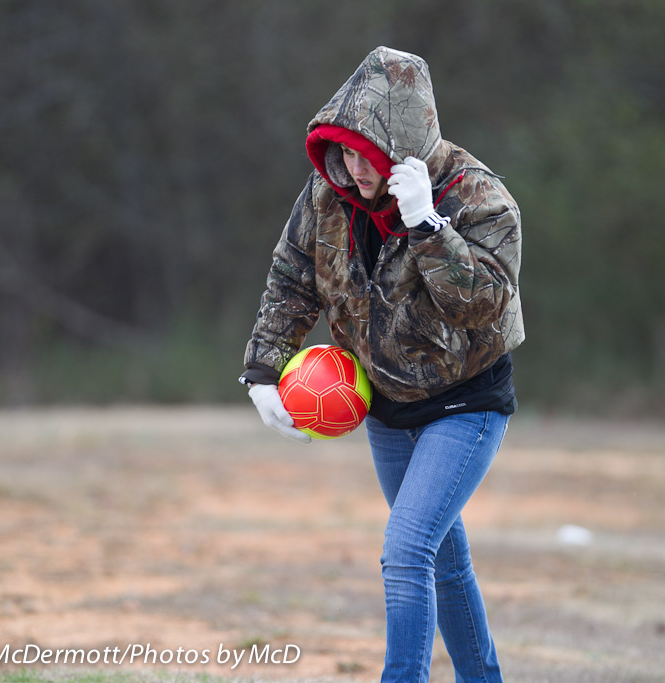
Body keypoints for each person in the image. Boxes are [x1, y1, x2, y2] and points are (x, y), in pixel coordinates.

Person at [240, 46, 524, 683]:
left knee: (405, 551)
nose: (351, 168)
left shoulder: (480, 198)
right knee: (441, 561)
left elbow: (484, 305)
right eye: (340, 152)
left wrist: (428, 226)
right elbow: (293, 278)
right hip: (387, 408)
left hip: (466, 402)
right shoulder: (327, 195)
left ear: (404, 147)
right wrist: (263, 369)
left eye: (365, 154)